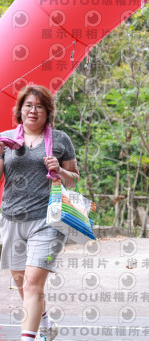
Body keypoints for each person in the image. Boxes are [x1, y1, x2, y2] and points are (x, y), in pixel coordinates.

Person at [0, 85, 80, 341]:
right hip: (11, 219)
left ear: (48, 112)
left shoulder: (60, 140)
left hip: (48, 221)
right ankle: (45, 323)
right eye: (28, 105)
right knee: (22, 283)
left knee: (34, 282)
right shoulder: (5, 139)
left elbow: (74, 180)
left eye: (39, 106)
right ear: (20, 110)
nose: (33, 110)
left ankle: (29, 338)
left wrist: (60, 170)